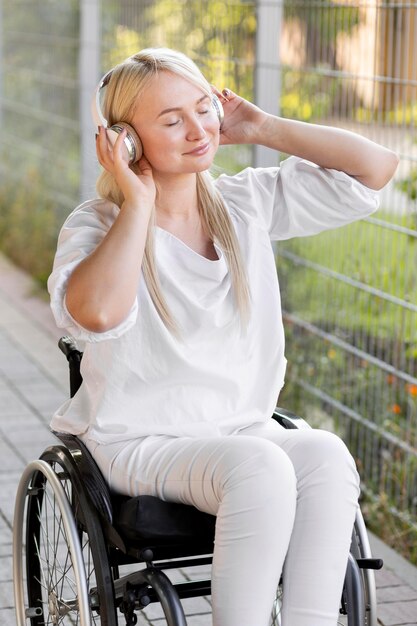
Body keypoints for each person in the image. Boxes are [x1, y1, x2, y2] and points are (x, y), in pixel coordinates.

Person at [48, 47, 398, 626]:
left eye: (203, 108)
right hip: (142, 438)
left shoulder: (245, 203)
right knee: (259, 468)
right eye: (170, 120)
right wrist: (137, 199)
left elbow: (377, 167)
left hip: (241, 428)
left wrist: (261, 126)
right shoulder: (97, 225)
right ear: (125, 141)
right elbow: (99, 314)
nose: (197, 129)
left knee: (326, 455)